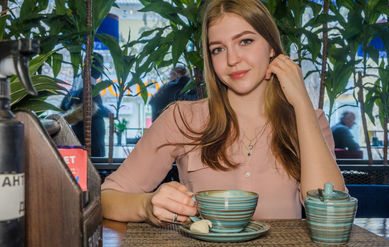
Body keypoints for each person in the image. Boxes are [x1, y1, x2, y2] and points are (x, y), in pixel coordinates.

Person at [101, 0, 345, 225]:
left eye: (245, 41)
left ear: (271, 47)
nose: (232, 59)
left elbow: (331, 218)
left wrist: (301, 103)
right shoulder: (182, 119)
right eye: (218, 49)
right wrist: (147, 205)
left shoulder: (309, 121)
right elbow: (107, 198)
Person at [61, 53, 111, 157]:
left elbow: (63, 105)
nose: (102, 69)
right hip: (90, 132)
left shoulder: (78, 80)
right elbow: (90, 104)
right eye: (101, 66)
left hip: (79, 131)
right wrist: (109, 113)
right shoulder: (87, 82)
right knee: (94, 163)